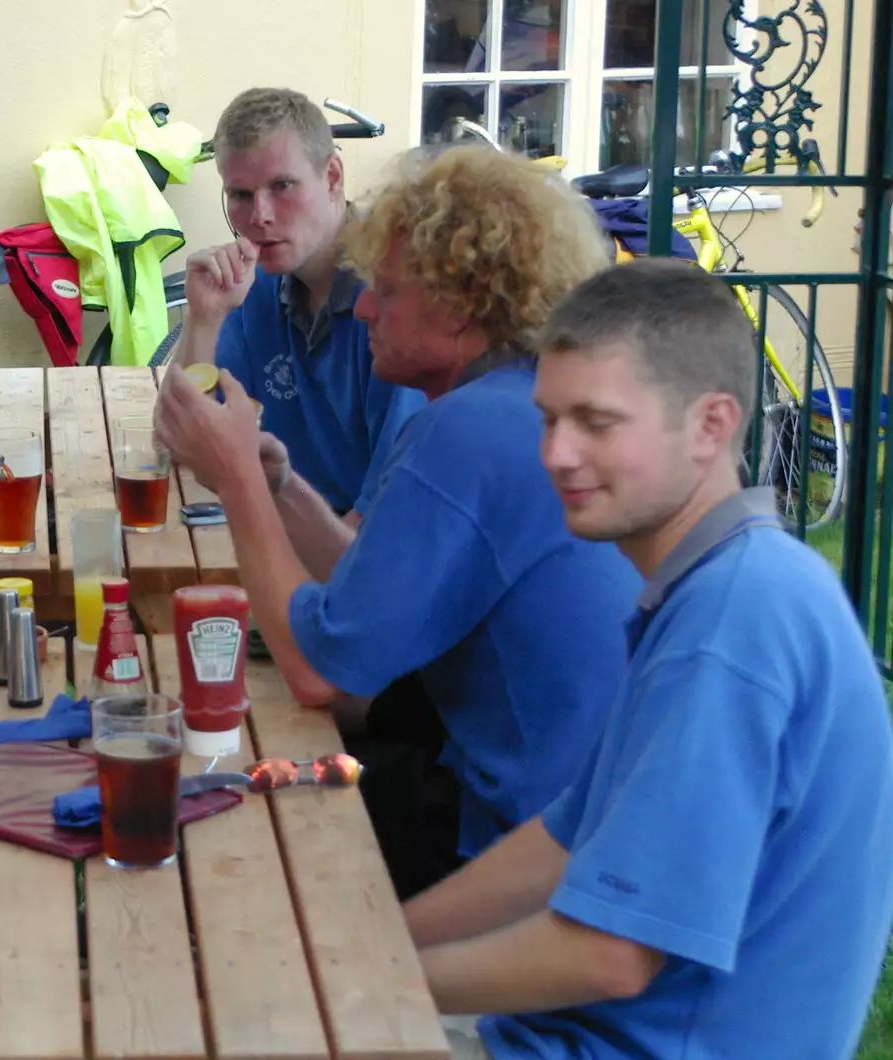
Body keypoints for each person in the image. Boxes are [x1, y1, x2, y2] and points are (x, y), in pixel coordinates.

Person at [406, 258, 893, 1060]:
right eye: (548, 418)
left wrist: (365, 980)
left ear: (710, 425)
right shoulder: (724, 584)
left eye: (596, 422)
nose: (556, 454)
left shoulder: (734, 620)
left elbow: (611, 954)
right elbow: (559, 844)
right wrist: (372, 940)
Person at [156, 145, 639, 899]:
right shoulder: (525, 402)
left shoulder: (467, 431)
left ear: (464, 299)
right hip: (591, 820)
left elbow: (320, 672)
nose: (368, 310)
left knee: (224, 825)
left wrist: (238, 481)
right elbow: (366, 602)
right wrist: (280, 485)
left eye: (386, 289)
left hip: (514, 851)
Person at [169, 86, 426, 517]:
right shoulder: (259, 285)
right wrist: (204, 318)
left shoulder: (396, 296)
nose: (260, 216)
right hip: (300, 534)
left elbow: (392, 515)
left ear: (332, 178)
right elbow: (182, 439)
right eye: (241, 195)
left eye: (282, 186)